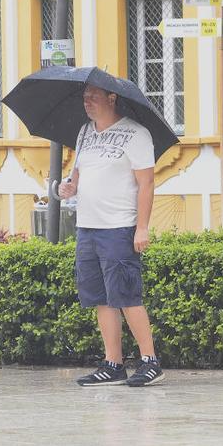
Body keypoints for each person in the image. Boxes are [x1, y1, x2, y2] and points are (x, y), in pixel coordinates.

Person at [58, 84, 164, 387]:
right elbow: (75, 176)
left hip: (119, 226)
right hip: (87, 227)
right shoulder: (84, 132)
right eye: (84, 98)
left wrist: (141, 227)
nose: (87, 102)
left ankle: (150, 361)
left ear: (112, 98)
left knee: (127, 295)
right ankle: (113, 363)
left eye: (93, 97)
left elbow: (146, 184)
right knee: (101, 298)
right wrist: (68, 187)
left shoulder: (136, 134)